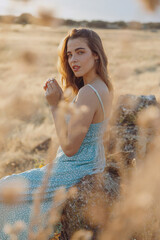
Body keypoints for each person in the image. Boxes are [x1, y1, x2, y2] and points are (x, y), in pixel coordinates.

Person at [0, 28, 113, 239]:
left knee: (5, 189)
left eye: (80, 52)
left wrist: (55, 106)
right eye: (69, 54)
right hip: (89, 163)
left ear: (96, 54)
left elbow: (70, 148)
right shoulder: (102, 87)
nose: (73, 60)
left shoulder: (89, 92)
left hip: (75, 168)